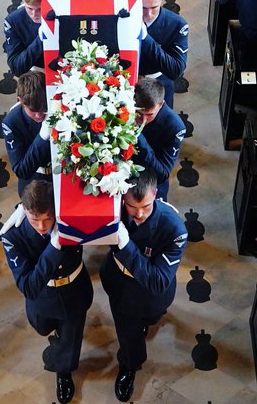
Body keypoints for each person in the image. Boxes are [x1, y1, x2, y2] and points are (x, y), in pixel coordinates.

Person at [0, 179, 91, 404]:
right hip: (42, 297)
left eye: (47, 218)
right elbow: (29, 287)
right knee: (42, 327)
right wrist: (55, 246)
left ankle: (63, 371)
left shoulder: (69, 219)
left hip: (73, 291)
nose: (41, 226)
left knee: (70, 338)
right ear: (24, 211)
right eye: (34, 220)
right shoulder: (12, 236)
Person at [99, 171, 187, 402]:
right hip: (119, 283)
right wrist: (23, 209)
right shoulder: (115, 207)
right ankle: (130, 365)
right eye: (131, 206)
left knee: (150, 318)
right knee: (128, 333)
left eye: (146, 206)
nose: (138, 214)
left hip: (150, 294)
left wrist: (126, 246)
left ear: (156, 195)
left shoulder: (174, 229)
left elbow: (157, 280)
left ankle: (147, 324)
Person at [136, 0, 188, 107]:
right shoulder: (122, 19)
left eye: (154, 7)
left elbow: (176, 70)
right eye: (143, 8)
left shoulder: (177, 24)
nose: (148, 14)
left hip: (159, 83)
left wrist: (146, 38)